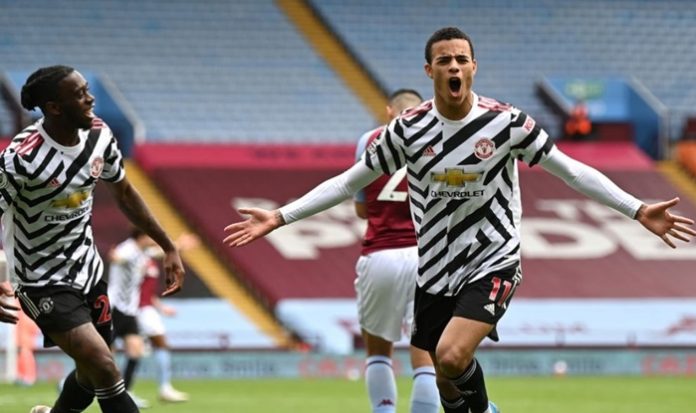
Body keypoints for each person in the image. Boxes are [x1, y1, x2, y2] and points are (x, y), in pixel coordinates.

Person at [223, 27, 696, 413]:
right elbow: (348, 183)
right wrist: (279, 216)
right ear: (429, 70)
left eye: (461, 59)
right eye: (444, 60)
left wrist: (636, 208)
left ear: (473, 67)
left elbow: (572, 171)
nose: (453, 67)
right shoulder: (406, 131)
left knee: (450, 356)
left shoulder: (507, 123)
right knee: (446, 381)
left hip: (493, 259)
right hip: (433, 271)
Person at [0, 65, 185, 413]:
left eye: (87, 90)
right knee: (104, 366)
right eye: (80, 94)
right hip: (40, 280)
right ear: (54, 107)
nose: (90, 99)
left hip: (88, 271)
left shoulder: (99, 134)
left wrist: (168, 245)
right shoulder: (21, 159)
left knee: (90, 374)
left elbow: (125, 192)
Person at [353, 89, 439, 413]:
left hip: (380, 254)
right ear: (424, 110)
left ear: (390, 111)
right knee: (426, 356)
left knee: (377, 352)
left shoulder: (368, 141)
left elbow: (362, 209)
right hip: (427, 258)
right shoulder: (438, 140)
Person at [107, 228, 157, 409]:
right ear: (141, 237)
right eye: (150, 236)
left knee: (136, 349)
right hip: (115, 308)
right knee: (104, 356)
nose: (153, 239)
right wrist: (114, 257)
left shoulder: (143, 251)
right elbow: (118, 258)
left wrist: (178, 247)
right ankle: (69, 384)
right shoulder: (128, 249)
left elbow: (159, 252)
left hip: (129, 310)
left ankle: (126, 393)